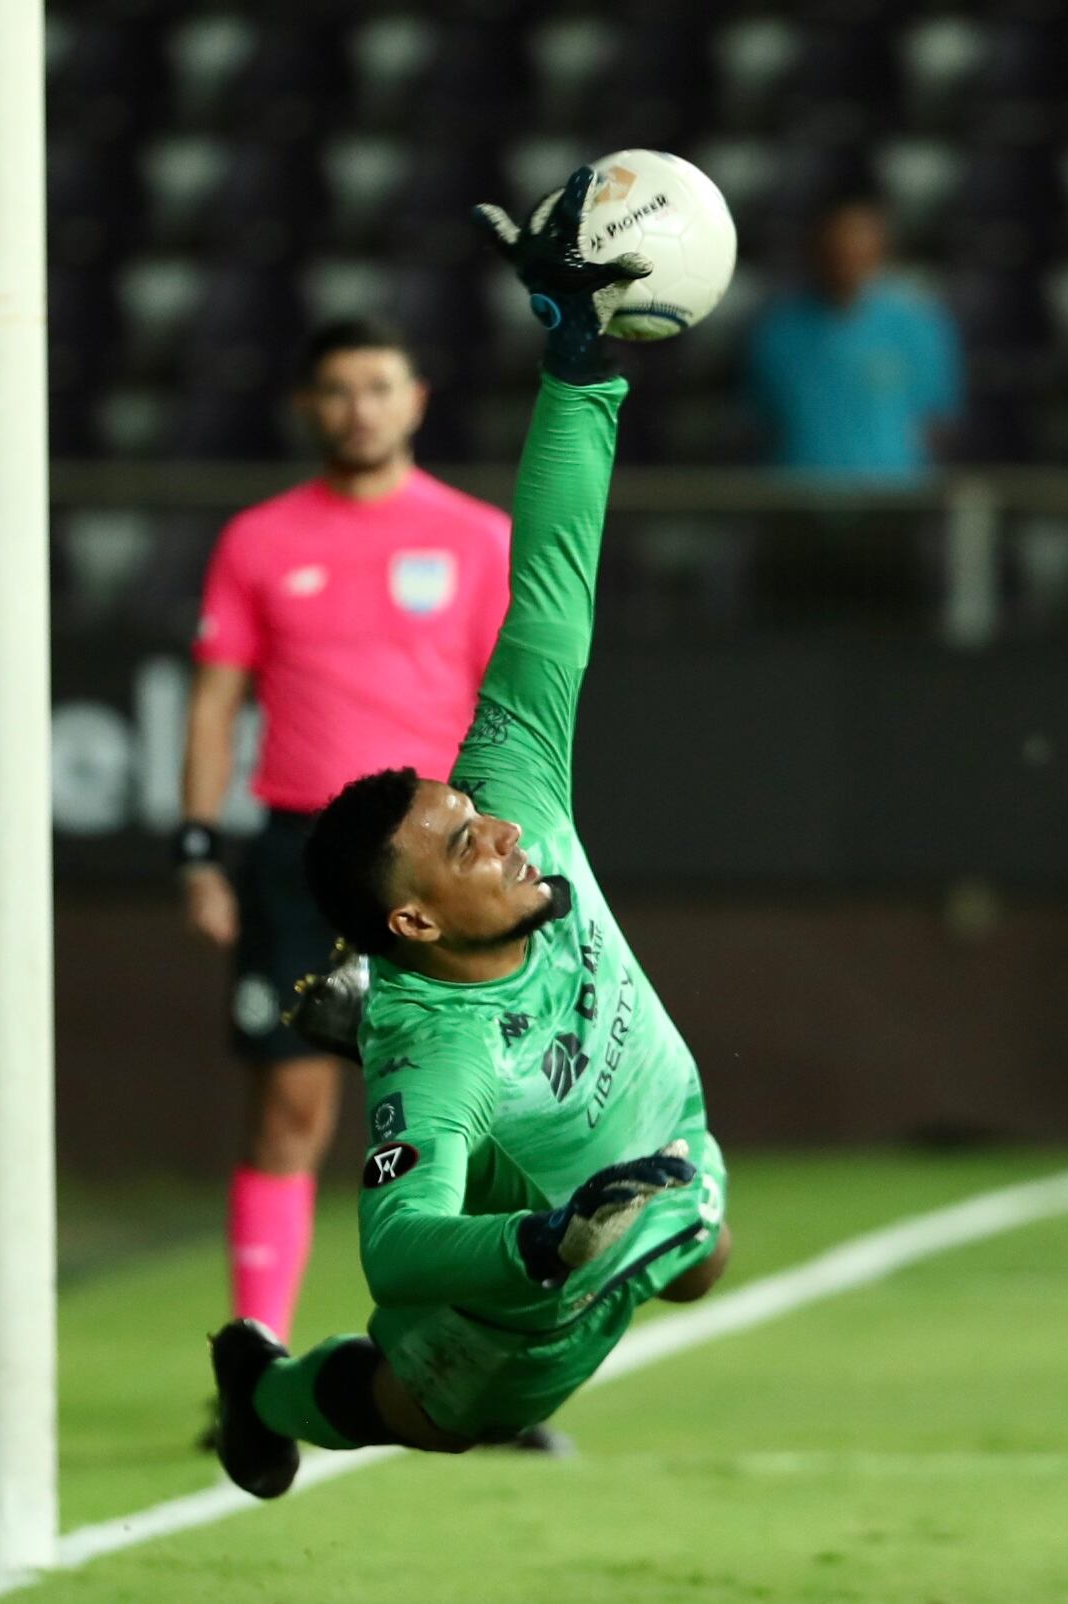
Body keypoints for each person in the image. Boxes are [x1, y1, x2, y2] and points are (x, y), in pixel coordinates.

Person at [208, 168, 731, 1499]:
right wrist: (546, 1249)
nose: (495, 833)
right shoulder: (431, 1063)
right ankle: (262, 1387)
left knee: (698, 1247)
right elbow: (399, 1247)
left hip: (661, 1137)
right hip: (523, 1308)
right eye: (460, 847)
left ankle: (638, 1206)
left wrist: (577, 368)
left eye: (470, 814)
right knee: (407, 1405)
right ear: (416, 921)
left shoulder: (517, 786)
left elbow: (553, 583)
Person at [179, 317, 511, 1370]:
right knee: (289, 1099)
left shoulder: (477, 536)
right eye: (336, 388)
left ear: (416, 399)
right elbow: (215, 697)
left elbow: (517, 704)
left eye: (378, 385)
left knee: (478, 1111)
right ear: (307, 407)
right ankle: (256, 1353)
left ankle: (492, 1357)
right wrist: (198, 847)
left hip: (439, 861)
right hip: (299, 856)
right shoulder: (258, 540)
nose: (357, 406)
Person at [747, 195, 965, 479]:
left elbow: (937, 418)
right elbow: (759, 419)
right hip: (798, 497)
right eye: (837, 248)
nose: (847, 258)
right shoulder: (777, 330)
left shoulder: (917, 325)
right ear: (816, 251)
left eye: (858, 248)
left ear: (880, 252)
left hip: (893, 497)